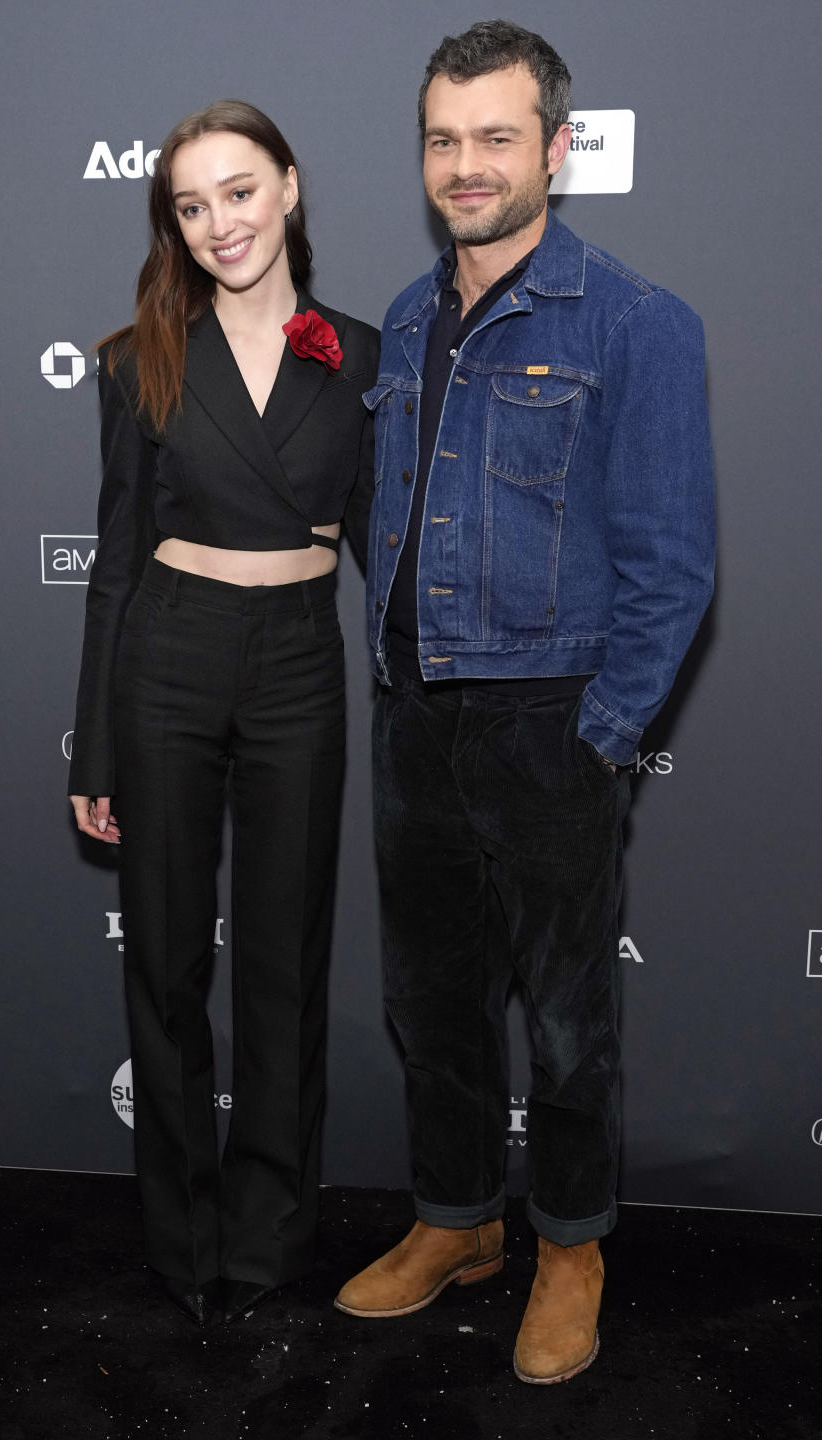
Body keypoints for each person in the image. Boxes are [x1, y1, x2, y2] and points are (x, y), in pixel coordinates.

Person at [335, 21, 715, 1384]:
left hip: (550, 721)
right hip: (415, 715)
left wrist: (599, 742)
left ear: (556, 148)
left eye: (497, 136)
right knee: (431, 1004)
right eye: (444, 138)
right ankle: (457, 1220)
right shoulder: (410, 316)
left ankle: (569, 1246)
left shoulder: (637, 322)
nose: (467, 164)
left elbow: (675, 566)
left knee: (564, 1019)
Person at [67, 100, 378, 1327]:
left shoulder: (361, 355)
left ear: (290, 190)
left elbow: (388, 544)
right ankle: (183, 1240)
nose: (218, 225)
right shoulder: (138, 355)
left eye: (239, 193)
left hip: (301, 655)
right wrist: (94, 739)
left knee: (286, 962)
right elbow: (112, 563)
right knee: (165, 960)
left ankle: (270, 1238)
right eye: (191, 207)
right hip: (171, 661)